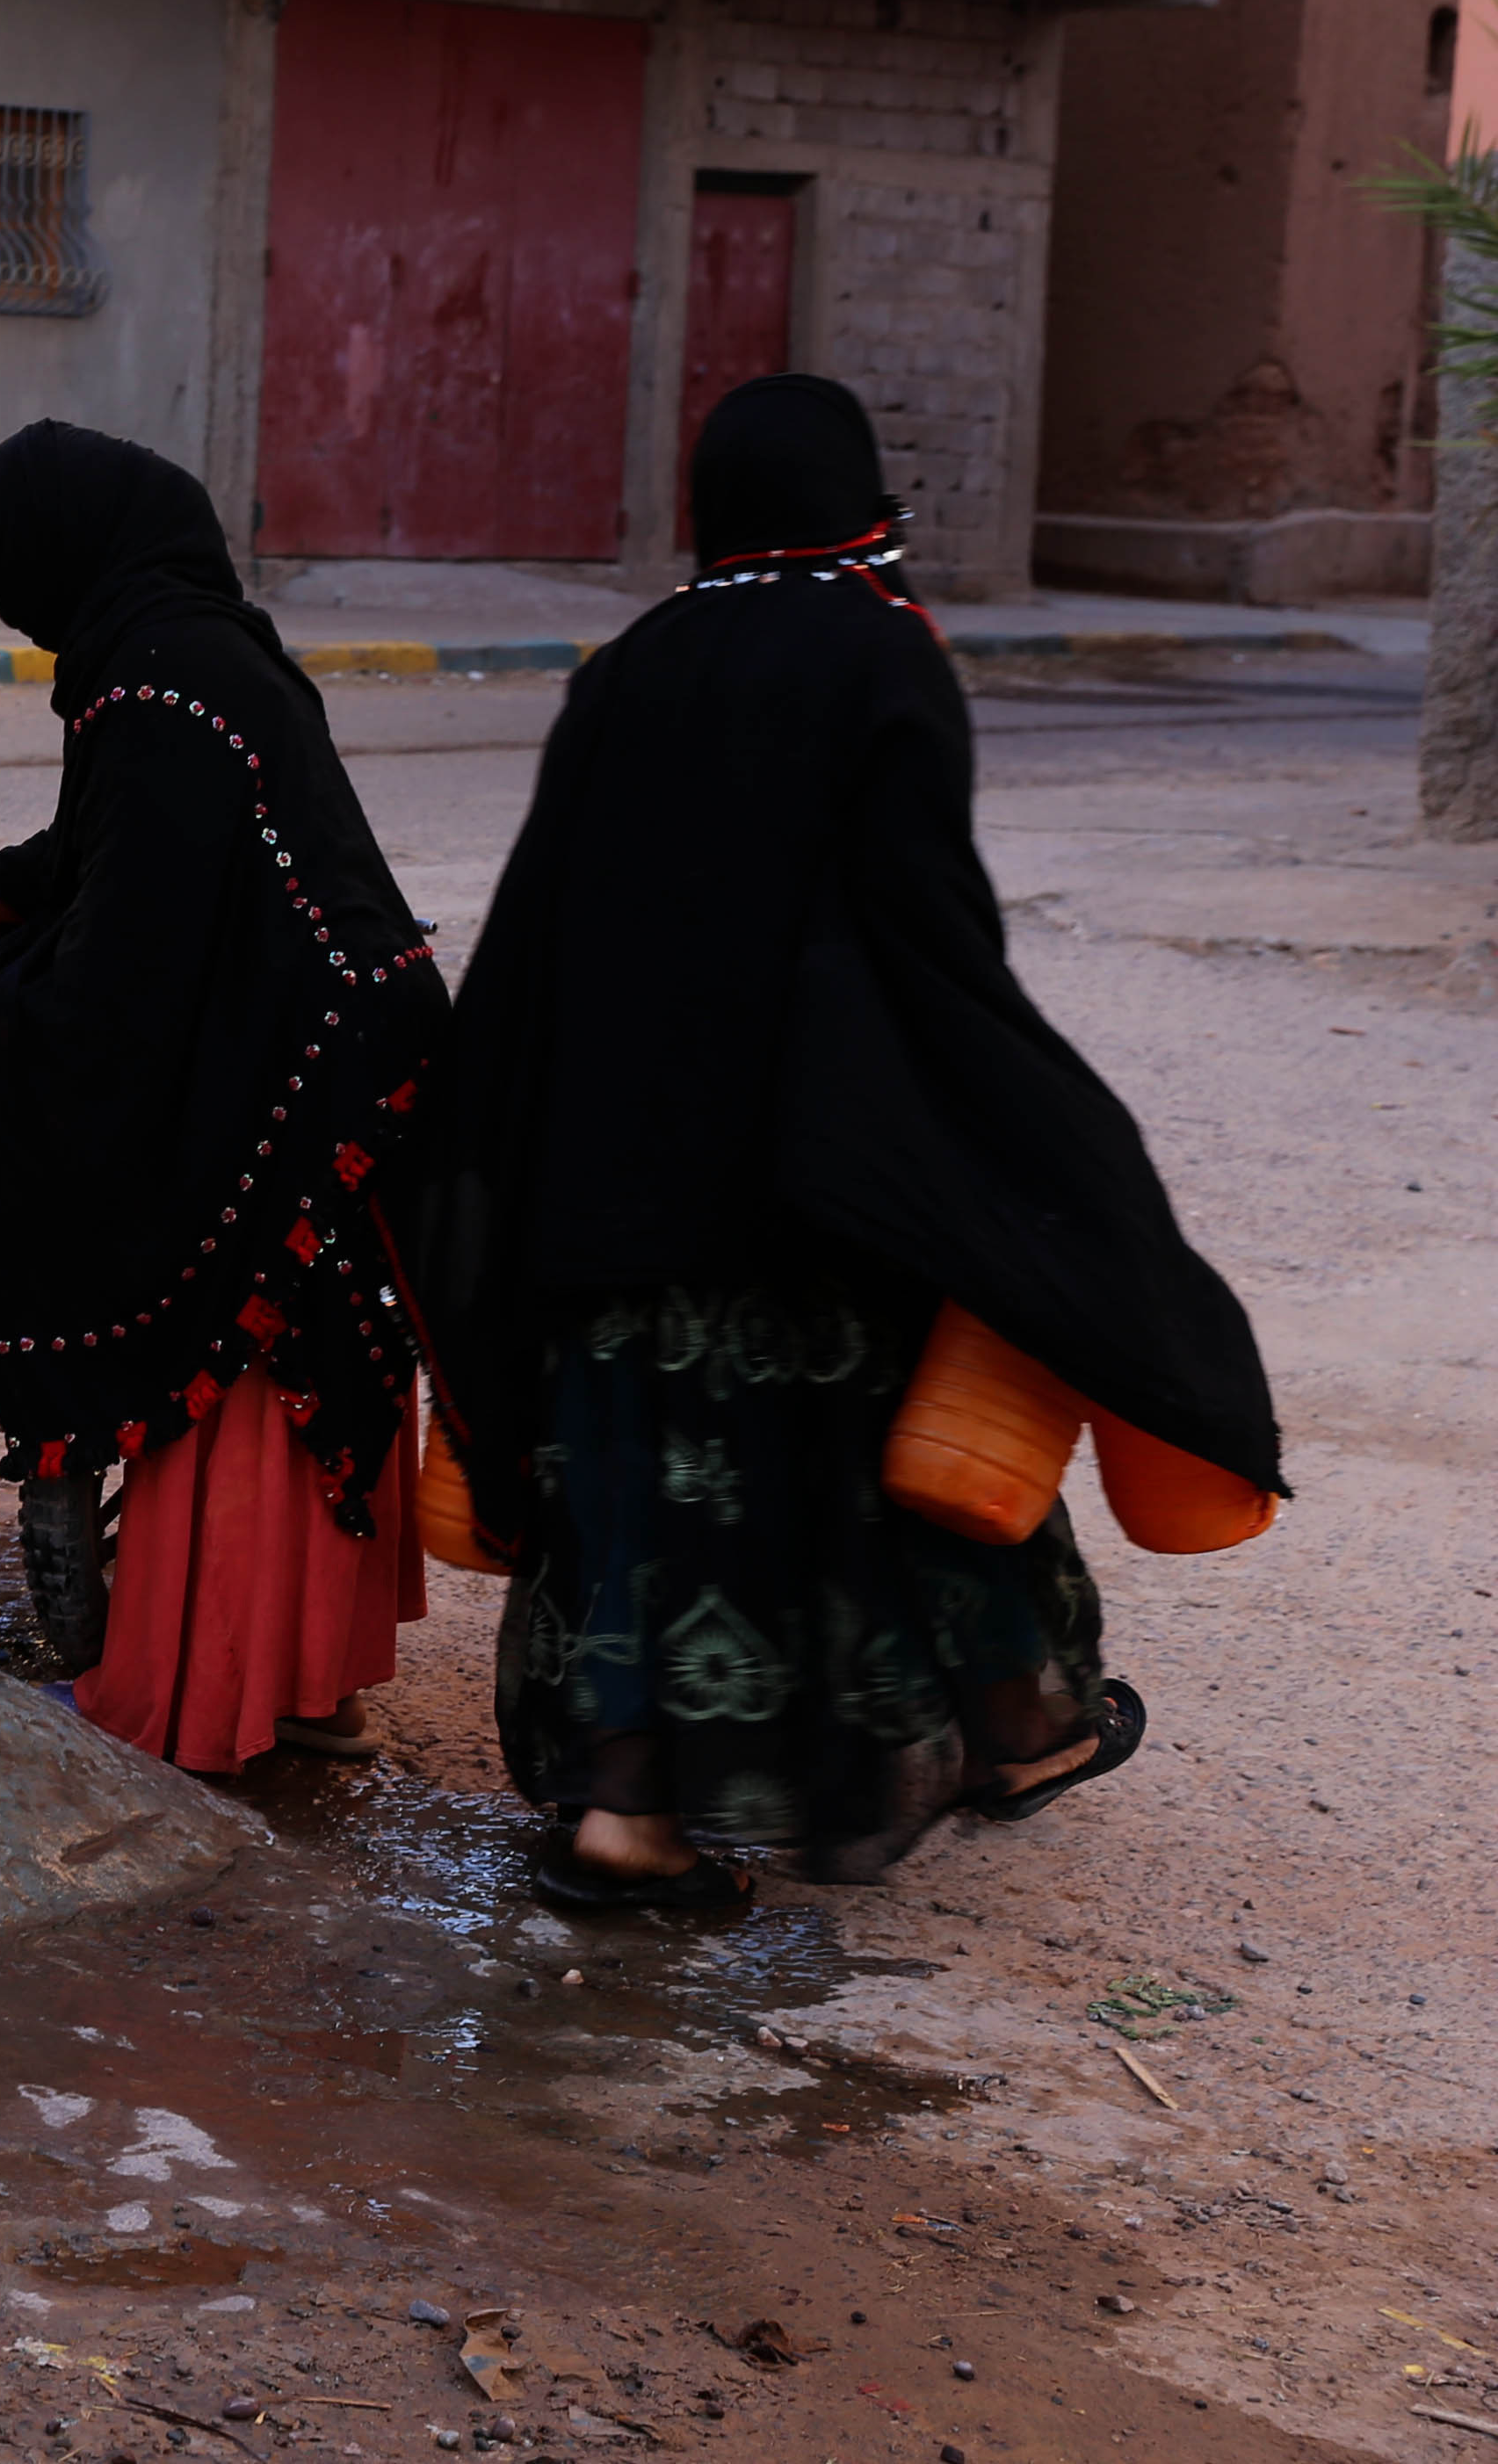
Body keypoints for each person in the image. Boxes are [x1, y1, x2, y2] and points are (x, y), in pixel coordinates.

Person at [404, 373, 1277, 1909]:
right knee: (883, 1481)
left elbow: (545, 934)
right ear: (857, 498)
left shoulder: (629, 665)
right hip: (818, 1184)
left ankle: (628, 1826)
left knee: (651, 1500)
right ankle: (1012, 1733)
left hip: (615, 1186)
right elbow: (924, 931)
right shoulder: (882, 652)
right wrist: (1015, 1125)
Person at [0, 421, 446, 1774]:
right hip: (334, 1042)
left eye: (15, 588)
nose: (22, 621)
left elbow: (128, 953)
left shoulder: (164, 679)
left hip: (299, 1057)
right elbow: (81, 860)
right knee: (309, 1351)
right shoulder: (173, 653)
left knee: (249, 1352)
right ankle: (304, 1688)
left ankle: (210, 1695)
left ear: (71, 557)